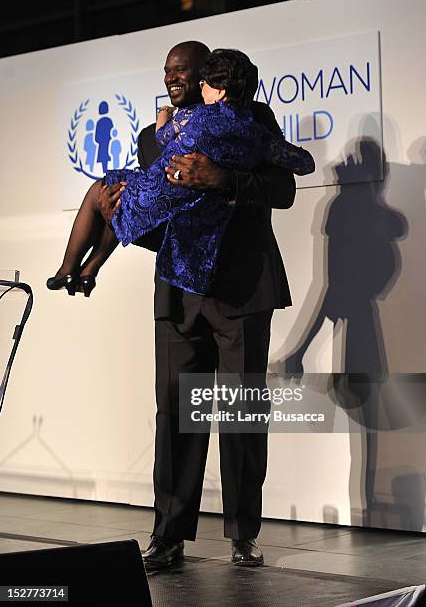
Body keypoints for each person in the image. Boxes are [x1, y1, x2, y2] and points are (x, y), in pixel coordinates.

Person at [78, 41, 308, 570]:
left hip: (244, 287)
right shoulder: (153, 136)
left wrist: (224, 179)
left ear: (208, 74)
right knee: (177, 417)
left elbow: (283, 188)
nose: (172, 79)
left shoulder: (253, 118)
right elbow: (155, 193)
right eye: (167, 72)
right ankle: (169, 534)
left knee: (242, 416)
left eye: (183, 70)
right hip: (178, 291)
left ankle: (243, 535)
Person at [46, 49, 313, 298]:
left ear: (218, 91)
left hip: (232, 276)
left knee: (104, 190)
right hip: (178, 277)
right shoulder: (257, 135)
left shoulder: (196, 117)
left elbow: (162, 136)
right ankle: (88, 268)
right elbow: (304, 163)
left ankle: (69, 268)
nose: (198, 86)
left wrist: (164, 115)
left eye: (202, 82)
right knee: (115, 201)